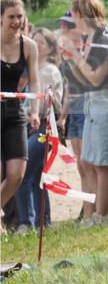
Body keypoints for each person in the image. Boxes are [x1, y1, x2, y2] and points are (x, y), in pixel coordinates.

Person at [60, 0, 108, 225]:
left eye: (73, 14)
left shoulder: (104, 36)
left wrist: (75, 57)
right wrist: (72, 60)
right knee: (90, 162)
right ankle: (92, 215)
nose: (72, 19)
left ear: (80, 13)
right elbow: (85, 80)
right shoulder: (92, 38)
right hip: (95, 105)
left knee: (103, 164)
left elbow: (96, 78)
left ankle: (103, 216)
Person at [15, 28, 62, 231]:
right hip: (27, 125)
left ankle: (28, 222)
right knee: (34, 175)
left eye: (42, 42)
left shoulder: (49, 70)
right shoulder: (29, 70)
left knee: (24, 173)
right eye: (35, 40)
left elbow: (46, 104)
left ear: (50, 48)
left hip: (44, 126)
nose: (37, 44)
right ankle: (45, 221)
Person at [1, 0, 40, 233]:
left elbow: (34, 81)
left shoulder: (29, 45)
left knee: (16, 175)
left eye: (20, 16)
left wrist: (35, 111)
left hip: (16, 113)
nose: (17, 21)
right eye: (11, 17)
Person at [56, 11, 86, 217]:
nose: (64, 29)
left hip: (86, 111)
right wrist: (63, 116)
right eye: (63, 25)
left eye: (69, 25)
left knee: (87, 165)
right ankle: (87, 206)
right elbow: (69, 88)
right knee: (81, 167)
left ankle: (92, 208)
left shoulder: (87, 51)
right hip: (74, 112)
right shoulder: (67, 56)